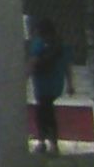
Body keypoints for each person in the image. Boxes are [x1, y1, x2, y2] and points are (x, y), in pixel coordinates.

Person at [27, 16, 69, 152]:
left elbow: (33, 61)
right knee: (48, 111)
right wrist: (71, 84)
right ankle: (53, 143)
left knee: (42, 113)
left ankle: (42, 142)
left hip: (42, 83)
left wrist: (25, 75)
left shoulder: (39, 43)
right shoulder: (61, 44)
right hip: (56, 83)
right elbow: (68, 66)